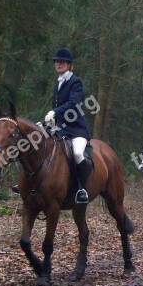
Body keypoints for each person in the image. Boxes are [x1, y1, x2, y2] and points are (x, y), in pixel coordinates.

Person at [37, 47, 92, 204]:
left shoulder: (76, 82)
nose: (58, 64)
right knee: (33, 143)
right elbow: (56, 109)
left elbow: (73, 104)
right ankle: (30, 183)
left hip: (76, 130)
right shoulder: (58, 83)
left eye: (62, 62)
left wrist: (54, 112)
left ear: (69, 64)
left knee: (77, 154)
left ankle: (82, 189)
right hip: (59, 128)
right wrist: (44, 122)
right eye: (57, 61)